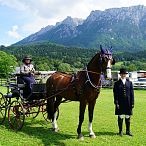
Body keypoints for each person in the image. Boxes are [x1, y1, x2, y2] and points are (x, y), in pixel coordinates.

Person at [113, 68, 134, 136]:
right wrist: (116, 102)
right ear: (120, 75)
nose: (123, 75)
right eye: (122, 74)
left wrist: (132, 102)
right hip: (120, 102)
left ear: (126, 75)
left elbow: (132, 94)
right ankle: (120, 131)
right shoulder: (116, 83)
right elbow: (115, 94)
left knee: (128, 116)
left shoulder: (130, 83)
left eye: (124, 74)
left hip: (128, 102)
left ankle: (128, 131)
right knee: (121, 116)